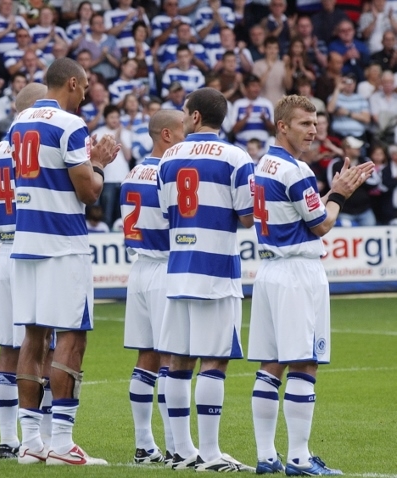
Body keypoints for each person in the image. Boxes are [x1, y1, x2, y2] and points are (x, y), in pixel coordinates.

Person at [249, 94, 374, 476]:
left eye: (316, 123)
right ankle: (300, 459)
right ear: (282, 125)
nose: (313, 130)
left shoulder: (264, 163)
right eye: (305, 123)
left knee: (271, 365)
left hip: (269, 271)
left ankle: (266, 456)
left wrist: (328, 195)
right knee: (304, 363)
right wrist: (339, 195)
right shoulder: (296, 169)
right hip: (297, 272)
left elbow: (299, 212)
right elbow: (321, 224)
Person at [9, 57, 118, 466]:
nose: (86, 95)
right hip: (62, 243)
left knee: (33, 337)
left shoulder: (19, 122)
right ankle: (62, 442)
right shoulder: (70, 124)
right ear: (72, 83)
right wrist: (100, 164)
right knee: (72, 337)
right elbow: (88, 192)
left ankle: (30, 443)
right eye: (85, 87)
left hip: (26, 241)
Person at [157, 87, 254, 471]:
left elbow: (167, 212)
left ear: (196, 116)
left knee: (178, 360)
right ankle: (211, 454)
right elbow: (247, 216)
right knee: (214, 360)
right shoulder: (235, 157)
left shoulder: (168, 157)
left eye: (185, 111)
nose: (182, 117)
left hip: (179, 269)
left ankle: (183, 452)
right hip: (216, 271)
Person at [0, 82, 47, 459]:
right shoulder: (34, 142)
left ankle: (8, 439)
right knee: (44, 346)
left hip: (4, 252)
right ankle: (45, 438)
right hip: (33, 249)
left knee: (8, 349)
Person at [119, 109, 185, 465]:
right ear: (167, 135)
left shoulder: (133, 172)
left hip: (140, 269)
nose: (188, 138)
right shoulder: (167, 172)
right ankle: (176, 446)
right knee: (172, 359)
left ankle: (145, 444)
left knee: (147, 357)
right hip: (163, 267)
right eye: (183, 130)